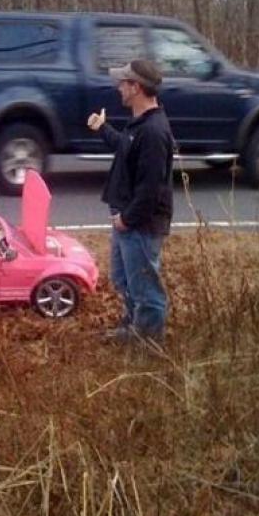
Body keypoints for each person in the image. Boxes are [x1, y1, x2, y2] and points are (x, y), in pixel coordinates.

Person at [87, 59, 174, 345]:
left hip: (140, 225)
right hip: (127, 221)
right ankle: (133, 329)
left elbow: (151, 189)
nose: (118, 87)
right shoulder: (139, 124)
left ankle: (148, 344)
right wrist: (103, 128)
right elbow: (125, 148)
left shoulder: (153, 132)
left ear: (136, 87)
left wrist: (126, 219)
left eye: (123, 82)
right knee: (124, 281)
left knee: (146, 290)